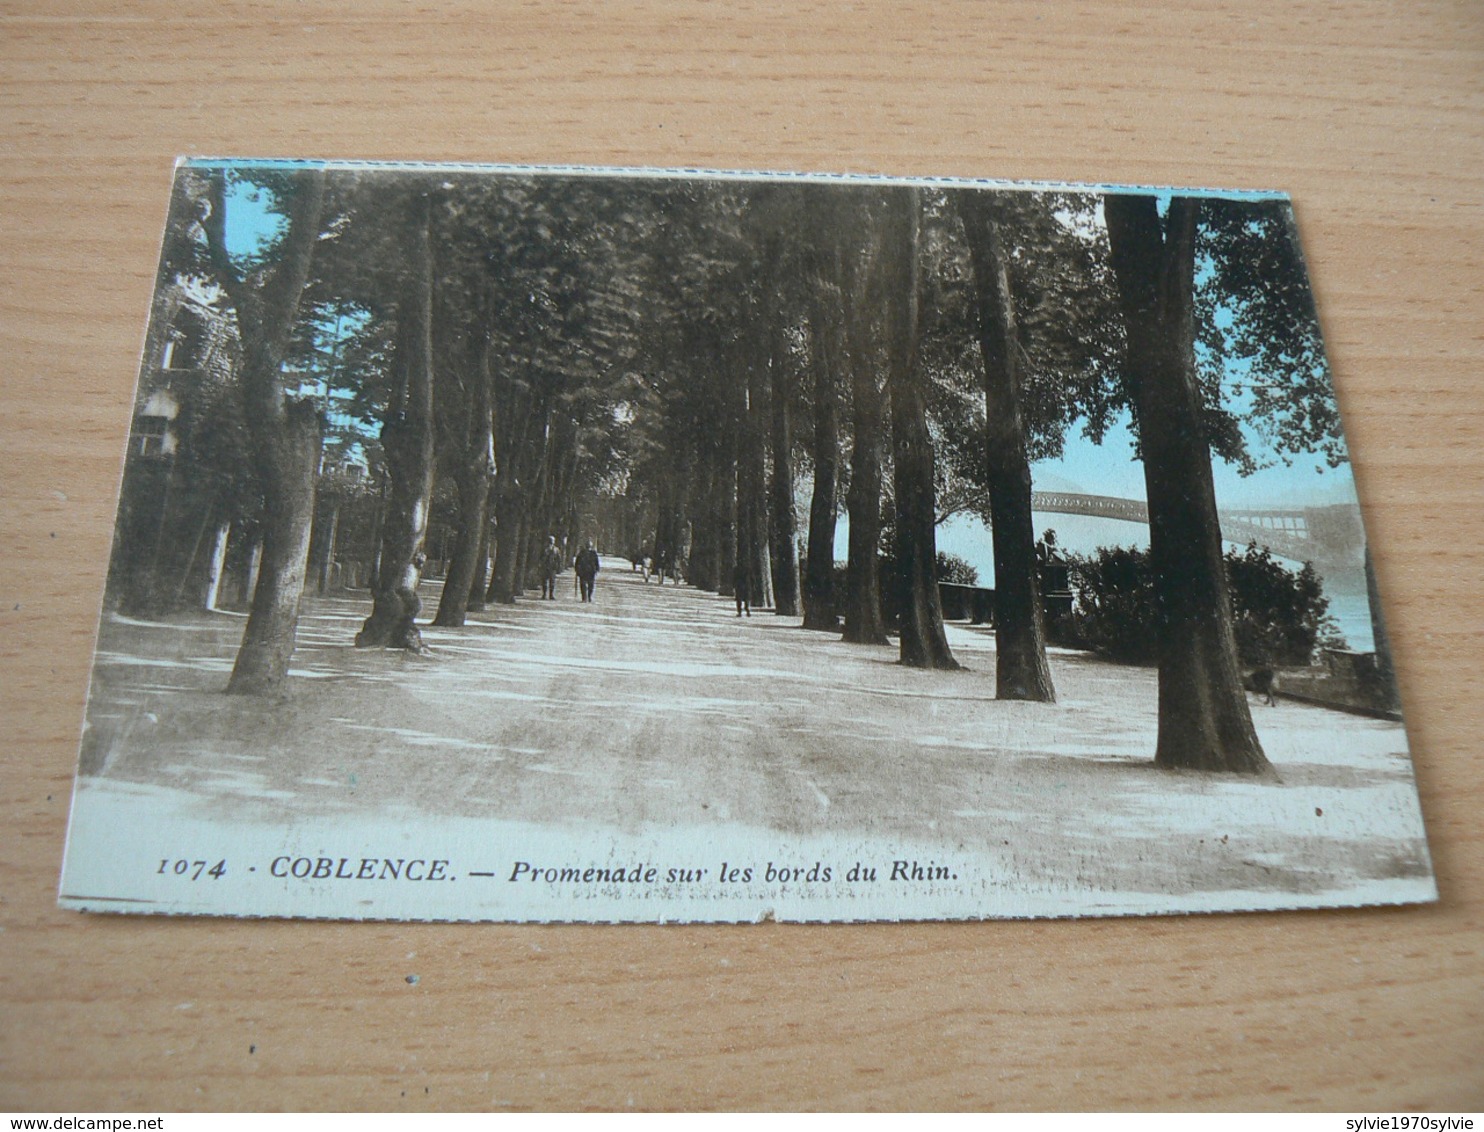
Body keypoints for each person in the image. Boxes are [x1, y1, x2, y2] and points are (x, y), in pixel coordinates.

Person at [540, 535, 563, 600]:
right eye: (550, 540)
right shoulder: (544, 549)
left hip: (553, 568)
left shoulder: (556, 549)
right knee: (544, 581)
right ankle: (544, 594)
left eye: (552, 541)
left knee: (552, 582)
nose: (551, 542)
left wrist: (558, 567)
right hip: (545, 567)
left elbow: (559, 559)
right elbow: (541, 557)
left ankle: (551, 595)